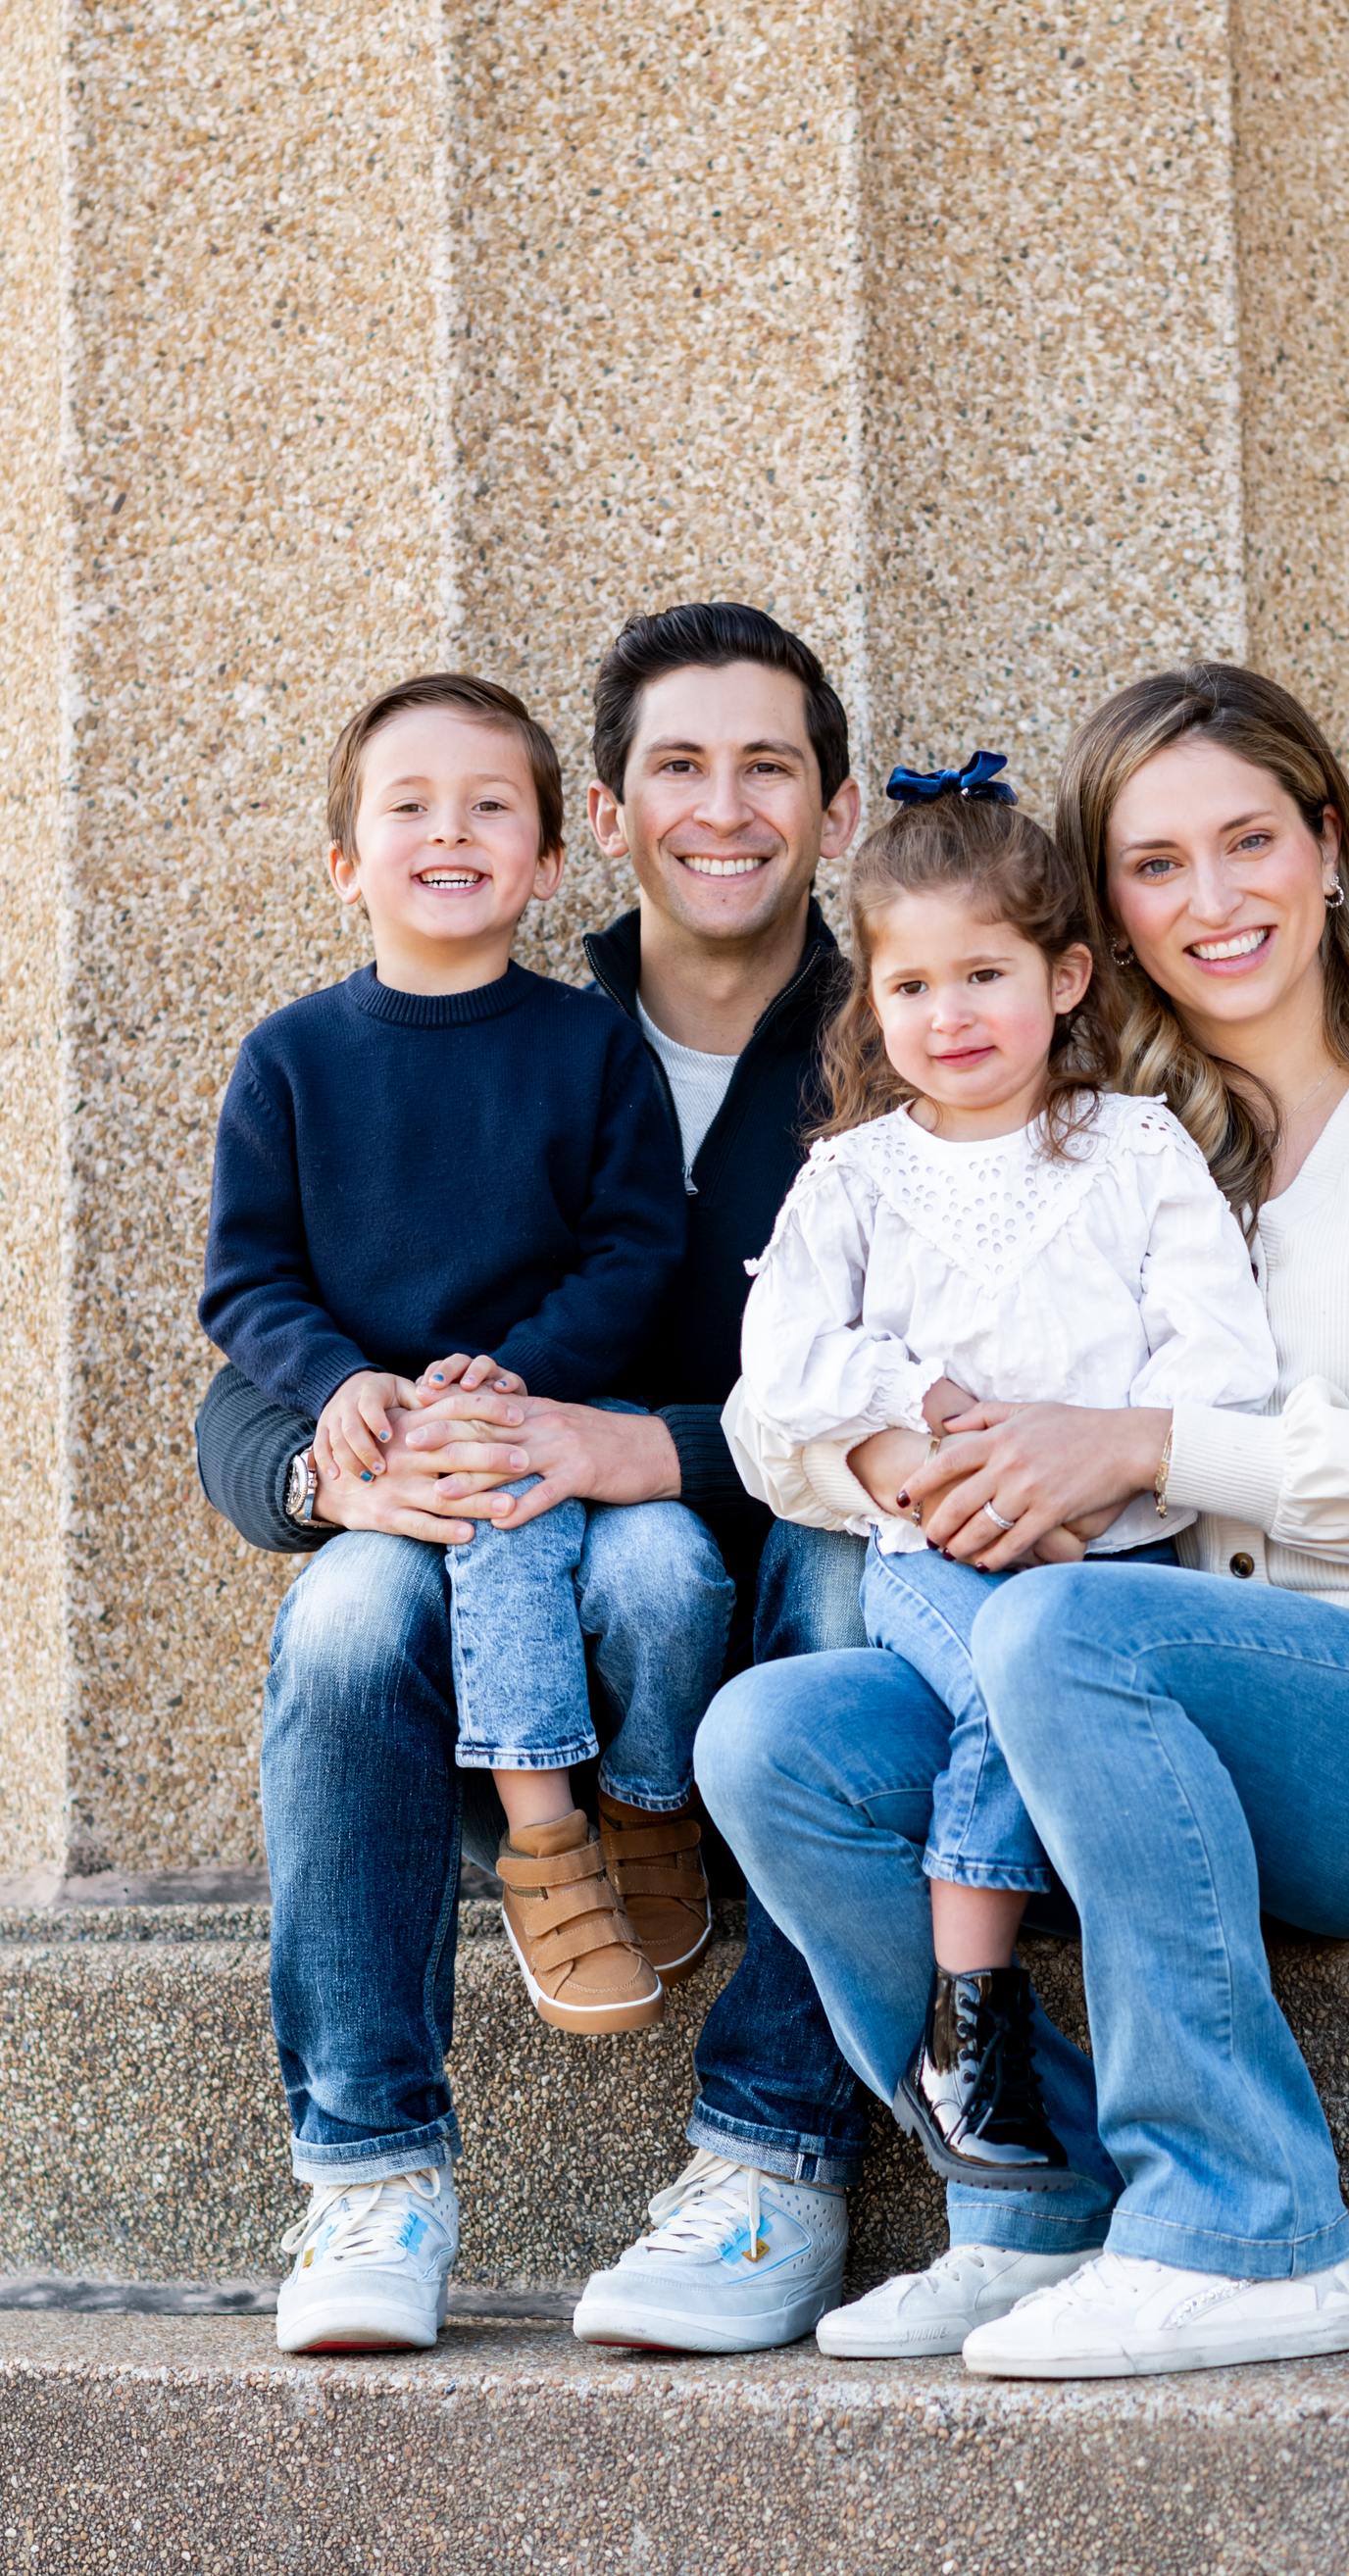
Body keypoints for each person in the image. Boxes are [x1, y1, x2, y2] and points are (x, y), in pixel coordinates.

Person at [695, 660, 1349, 2371]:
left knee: (1064, 1627)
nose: (1212, 899)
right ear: (1102, 914)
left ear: (1325, 846)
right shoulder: (1098, 1130)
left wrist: (1139, 1443)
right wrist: (900, 1467)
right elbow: (776, 1411)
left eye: (1248, 841)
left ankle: (1249, 2225)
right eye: (1154, 863)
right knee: (775, 1740)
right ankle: (1034, 2199)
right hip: (1140, 1702)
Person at [195, 605, 873, 2357]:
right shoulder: (477, 1029)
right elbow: (244, 1349)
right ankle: (369, 2173)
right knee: (341, 1617)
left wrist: (626, 1443)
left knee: (857, 1589)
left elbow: (956, 1397)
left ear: (840, 810)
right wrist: (335, 1467)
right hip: (483, 1607)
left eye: (769, 770)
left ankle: (771, 2161)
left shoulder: (918, 1044)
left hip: (733, 1596)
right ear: (617, 814)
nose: (723, 811)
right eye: (680, 769)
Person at [719, 753, 1274, 2216]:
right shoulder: (851, 1176)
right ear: (872, 1002)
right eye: (912, 989)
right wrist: (922, 1407)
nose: (949, 1017)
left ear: (1069, 974)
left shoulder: (1134, 1151)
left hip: (1117, 1569)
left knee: (1037, 1672)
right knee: (1004, 1681)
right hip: (929, 1554)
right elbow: (782, 1369)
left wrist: (1089, 1479)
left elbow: (1221, 1366)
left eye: (985, 976)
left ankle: (976, 2030)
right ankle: (979, 2025)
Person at [201, 671, 724, 2085]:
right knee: (450, 1543)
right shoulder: (293, 1060)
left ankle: (647, 1804)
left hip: (569, 1417)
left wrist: (525, 1379)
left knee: (673, 1577)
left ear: (550, 862)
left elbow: (637, 1249)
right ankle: (543, 1850)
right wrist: (336, 1391)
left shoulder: (589, 1046)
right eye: (410, 806)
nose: (452, 830)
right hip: (396, 1456)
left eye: (492, 806)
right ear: (344, 863)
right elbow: (246, 1280)